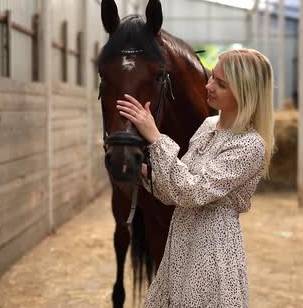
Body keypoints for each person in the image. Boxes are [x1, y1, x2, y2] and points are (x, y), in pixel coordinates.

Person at [116, 48, 275, 307]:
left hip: (211, 247)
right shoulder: (209, 125)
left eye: (221, 84)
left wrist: (155, 138)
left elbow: (193, 192)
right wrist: (148, 174)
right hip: (180, 240)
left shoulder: (250, 144)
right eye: (212, 76)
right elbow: (177, 190)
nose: (209, 85)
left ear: (245, 92)